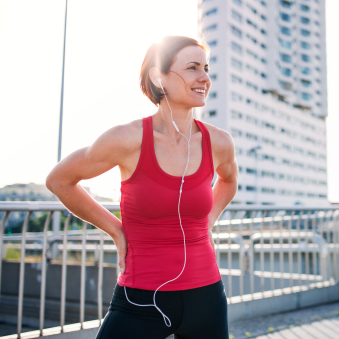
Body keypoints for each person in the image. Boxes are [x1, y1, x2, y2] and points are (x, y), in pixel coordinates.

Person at [46, 36, 238, 338]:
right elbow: (59, 180)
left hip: (207, 296)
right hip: (140, 298)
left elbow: (228, 181)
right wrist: (115, 229)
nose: (205, 78)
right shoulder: (127, 139)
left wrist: (208, 221)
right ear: (158, 77)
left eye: (206, 68)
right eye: (192, 68)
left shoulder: (219, 142)